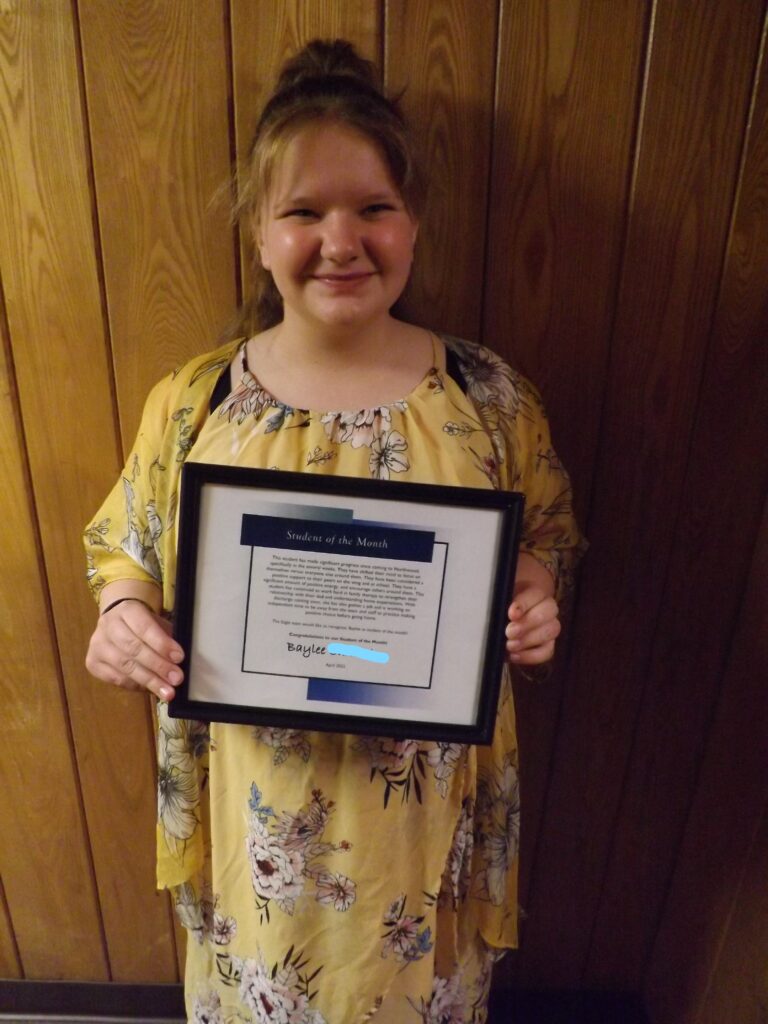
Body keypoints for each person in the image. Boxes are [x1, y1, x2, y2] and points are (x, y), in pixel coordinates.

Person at [84, 39, 584, 1024]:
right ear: (260, 234)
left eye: (373, 209)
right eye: (304, 212)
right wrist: (123, 613)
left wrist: (533, 592)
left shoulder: (486, 398)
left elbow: (549, 530)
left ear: (414, 223)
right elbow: (127, 542)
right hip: (260, 815)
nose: (341, 240)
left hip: (421, 829)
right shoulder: (196, 401)